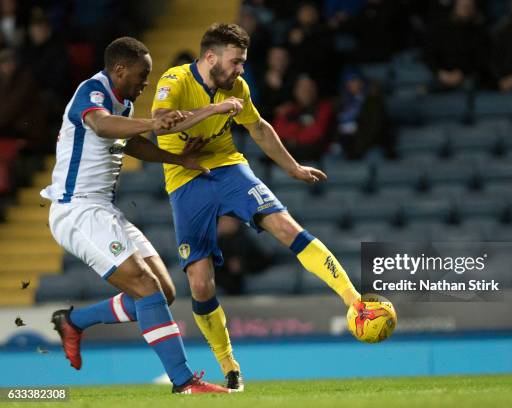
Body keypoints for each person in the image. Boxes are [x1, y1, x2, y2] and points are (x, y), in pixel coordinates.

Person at [151, 23, 362, 391]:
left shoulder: (238, 88)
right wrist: (215, 109)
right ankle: (229, 365)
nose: (241, 70)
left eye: (243, 62)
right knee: (200, 284)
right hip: (185, 179)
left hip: (228, 166)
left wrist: (293, 168)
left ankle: (354, 300)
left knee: (285, 226)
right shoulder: (175, 81)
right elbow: (160, 128)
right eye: (236, 62)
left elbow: (259, 128)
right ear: (211, 57)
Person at [41, 37, 244, 394]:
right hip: (77, 209)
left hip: (104, 208)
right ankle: (184, 381)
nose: (145, 82)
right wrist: (154, 123)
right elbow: (103, 127)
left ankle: (73, 321)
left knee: (161, 293)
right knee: (145, 287)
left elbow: (129, 143)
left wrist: (179, 159)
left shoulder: (125, 101)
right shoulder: (93, 91)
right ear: (119, 70)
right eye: (141, 75)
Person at [423, 0, 489, 92]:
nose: (466, 10)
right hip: (442, 74)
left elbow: (481, 59)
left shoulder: (481, 32)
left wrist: (462, 73)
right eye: (463, 6)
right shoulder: (441, 28)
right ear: (456, 7)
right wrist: (440, 73)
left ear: (475, 8)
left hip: (468, 76)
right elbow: (429, 54)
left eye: (469, 7)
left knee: (471, 85)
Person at [273, 74, 334, 161]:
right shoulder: (288, 109)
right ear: (295, 90)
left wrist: (294, 139)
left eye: (309, 87)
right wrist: (302, 128)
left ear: (315, 89)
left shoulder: (324, 107)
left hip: (316, 158)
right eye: (302, 87)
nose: (306, 91)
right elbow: (277, 131)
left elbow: (317, 133)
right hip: (290, 157)